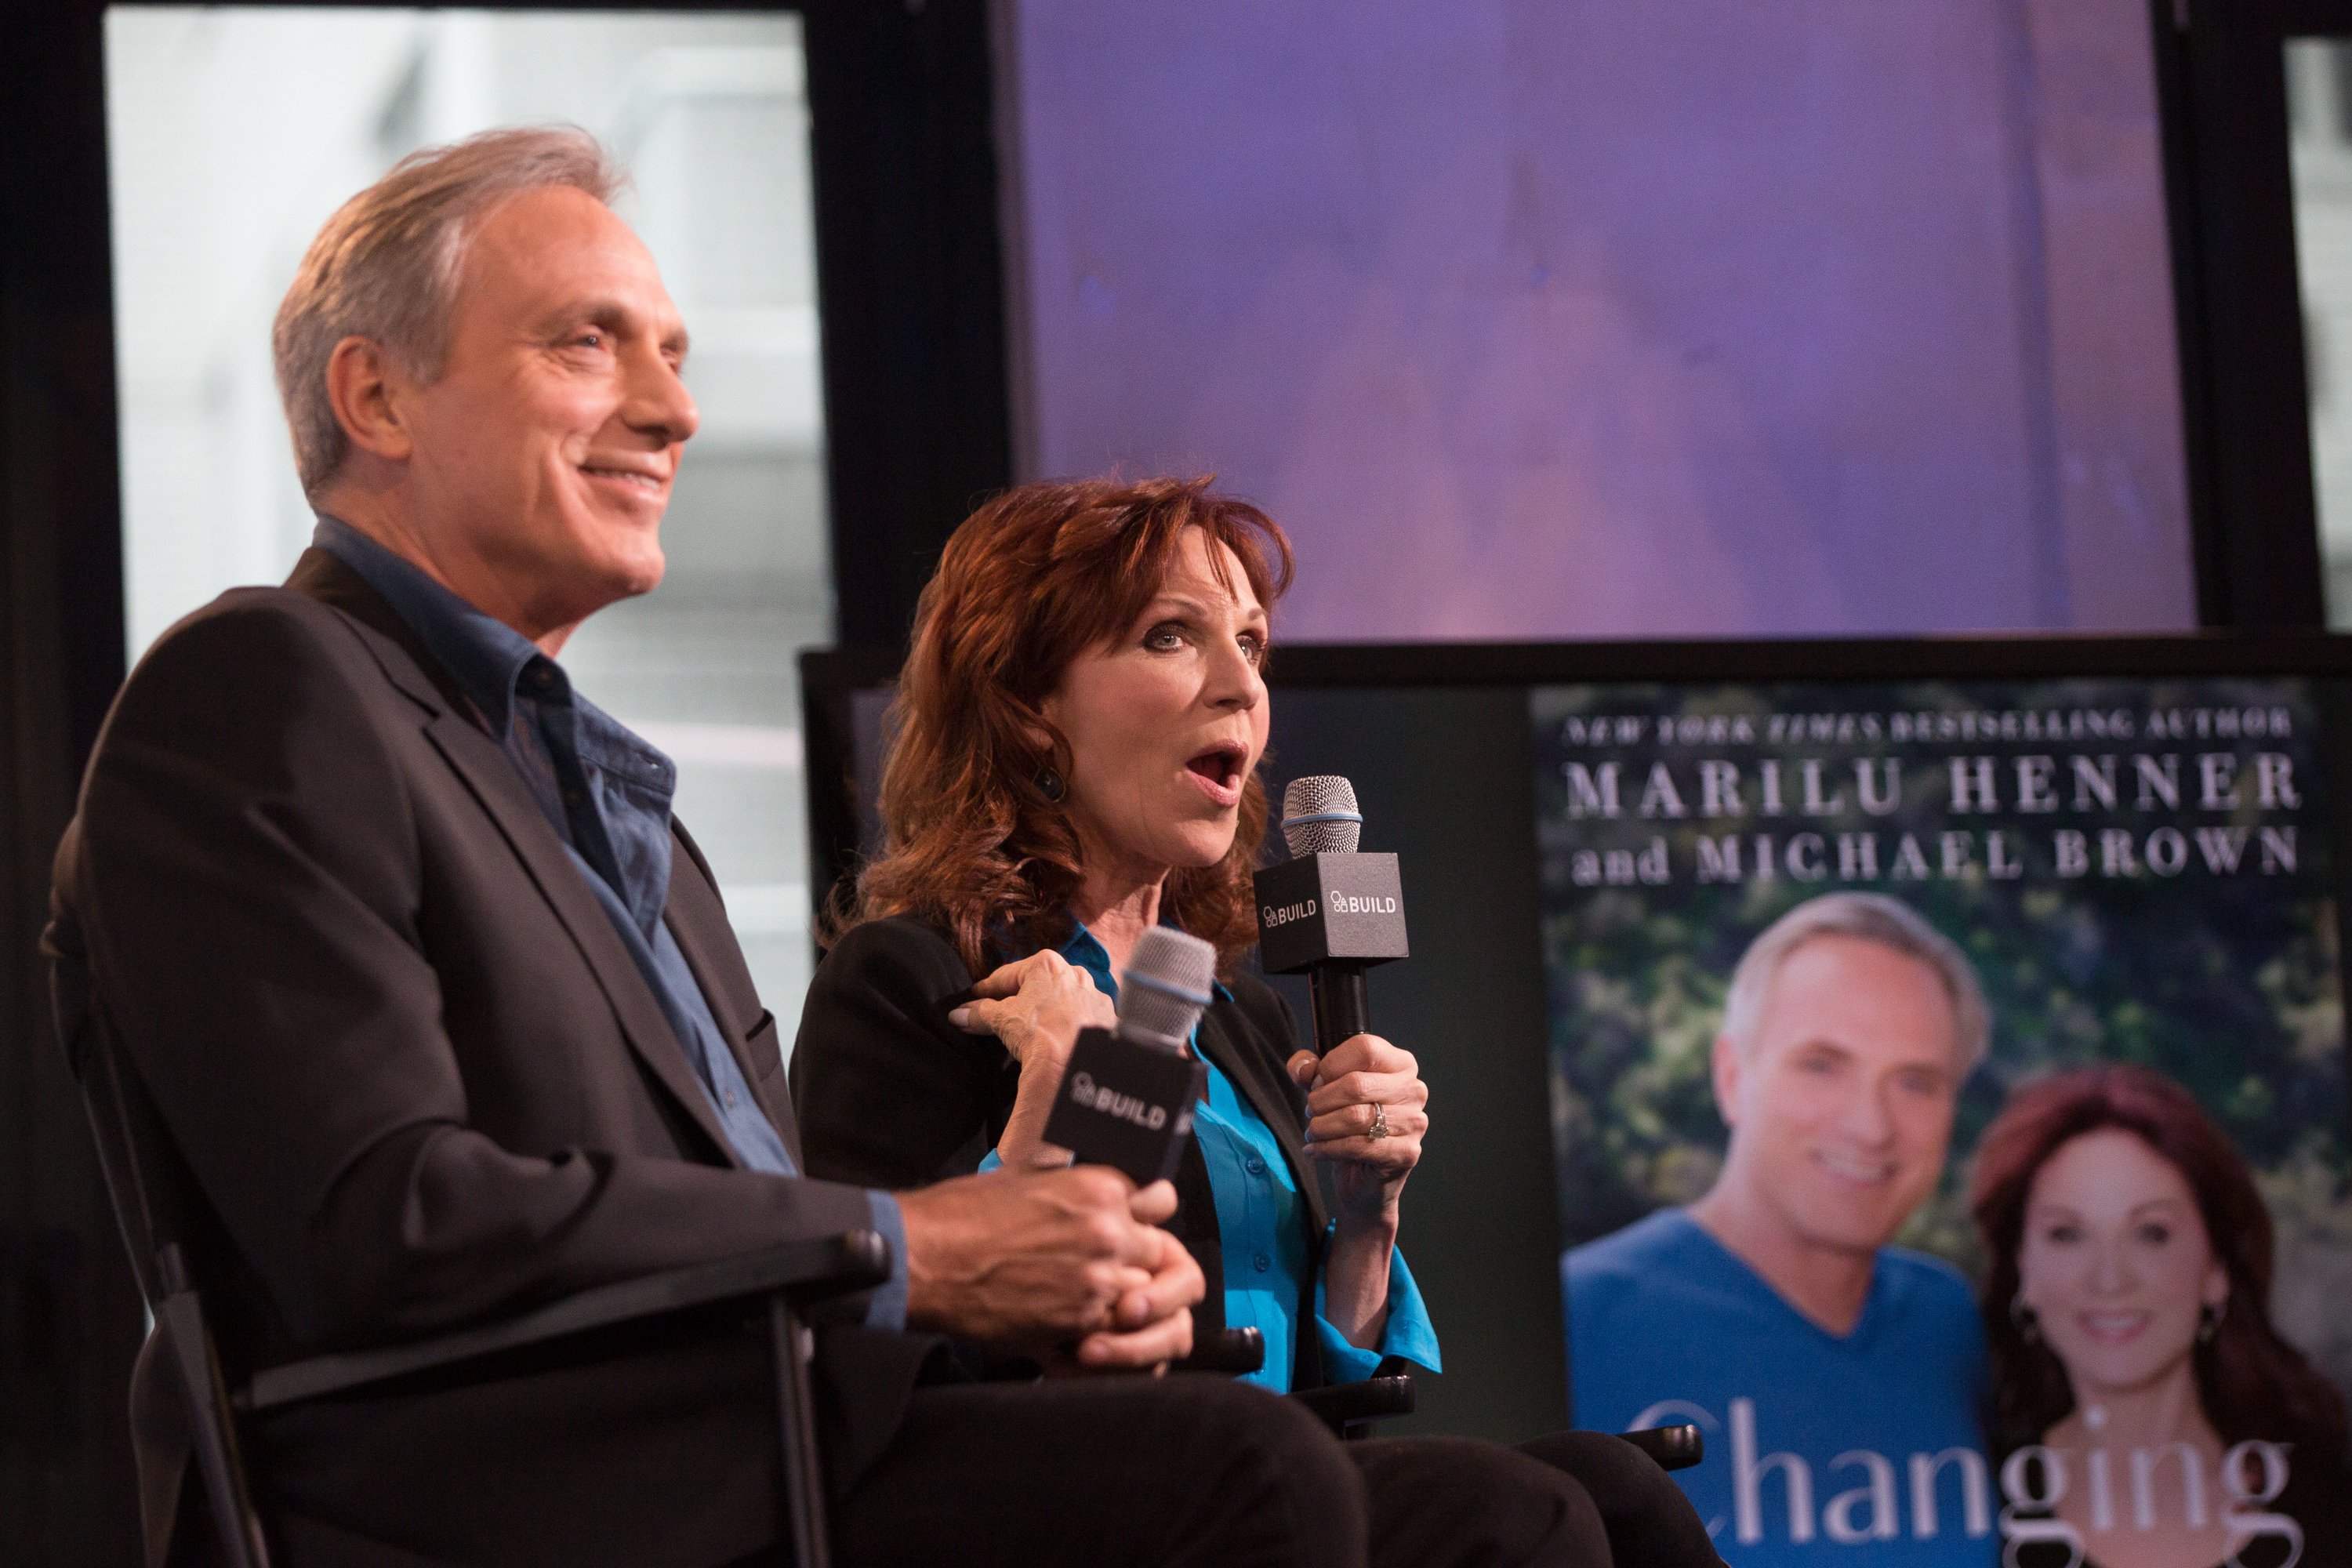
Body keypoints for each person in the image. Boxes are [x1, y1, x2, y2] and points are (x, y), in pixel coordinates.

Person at [46, 126, 1437, 1568]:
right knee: (1248, 1478)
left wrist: (1029, 1260)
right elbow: (387, 1221)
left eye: (675, 355)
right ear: (376, 395)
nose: (672, 410)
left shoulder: (617, 811)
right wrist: (934, 1246)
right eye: (589, 344)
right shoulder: (264, 686)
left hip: (792, 1442)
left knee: (1507, 1511)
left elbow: (761, 1220)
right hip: (576, 1499)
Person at [790, 474, 1717, 1568]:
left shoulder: (1241, 1015)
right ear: (1030, 702)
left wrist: (1367, 1218)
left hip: (1283, 1489)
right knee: (1516, 1511)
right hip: (1086, 1511)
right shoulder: (919, 979)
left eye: (1254, 644)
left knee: (1617, 1485)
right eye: (1171, 637)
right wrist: (1049, 1101)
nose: (1241, 686)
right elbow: (874, 1364)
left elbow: (1340, 1403)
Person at [1563, 891, 1995, 1566]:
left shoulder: (1950, 1321)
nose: (1870, 1126)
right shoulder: (1580, 1316)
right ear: (1733, 1076)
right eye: (1822, 1064)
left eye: (1915, 1081)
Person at [1970, 1064, 2350, 1568]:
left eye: (2152, 1233)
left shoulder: (2327, 1491)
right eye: (2066, 1234)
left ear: (2216, 1268)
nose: (2110, 1279)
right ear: (2023, 1270)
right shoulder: (1970, 1505)